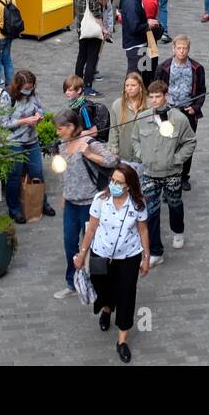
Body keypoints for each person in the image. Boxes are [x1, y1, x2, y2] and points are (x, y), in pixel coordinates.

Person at [75, 162, 150, 363]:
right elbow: (91, 229)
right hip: (100, 254)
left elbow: (143, 230)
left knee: (126, 294)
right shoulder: (100, 199)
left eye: (119, 182)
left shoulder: (138, 203)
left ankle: (122, 340)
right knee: (103, 289)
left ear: (129, 186)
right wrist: (82, 253)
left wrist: (146, 257)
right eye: (113, 180)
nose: (114, 185)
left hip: (129, 257)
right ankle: (107, 309)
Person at [53, 104, 119, 300]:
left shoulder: (89, 142)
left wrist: (89, 154)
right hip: (72, 204)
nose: (58, 131)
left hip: (91, 204)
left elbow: (112, 161)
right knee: (69, 243)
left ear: (73, 126)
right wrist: (64, 194)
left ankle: (98, 283)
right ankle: (72, 281)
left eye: (61, 128)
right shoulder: (62, 145)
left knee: (93, 246)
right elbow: (64, 172)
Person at [133, 81, 195, 263]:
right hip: (150, 172)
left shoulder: (179, 119)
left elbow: (190, 141)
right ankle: (156, 251)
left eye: (157, 96)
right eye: (150, 97)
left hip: (172, 172)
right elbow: (135, 139)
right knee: (151, 210)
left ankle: (178, 230)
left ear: (166, 96)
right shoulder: (142, 117)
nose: (154, 100)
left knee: (175, 204)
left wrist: (176, 160)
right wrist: (141, 155)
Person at [0, 70, 54, 224]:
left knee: (37, 171)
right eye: (26, 87)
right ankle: (14, 209)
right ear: (19, 86)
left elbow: (40, 108)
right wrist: (25, 121)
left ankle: (42, 203)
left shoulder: (33, 94)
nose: (29, 90)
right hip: (12, 141)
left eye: (31, 87)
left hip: (31, 138)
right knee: (14, 175)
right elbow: (2, 122)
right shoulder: (7, 96)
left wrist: (38, 117)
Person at [152, 35, 205, 191]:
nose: (182, 51)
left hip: (188, 111)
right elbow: (156, 88)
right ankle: (167, 175)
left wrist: (195, 107)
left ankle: (183, 177)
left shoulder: (197, 68)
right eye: (179, 48)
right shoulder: (164, 67)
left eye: (185, 48)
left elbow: (201, 91)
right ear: (173, 49)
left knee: (187, 143)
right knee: (167, 143)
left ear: (188, 49)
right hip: (168, 111)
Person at [73, 0, 104, 97]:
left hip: (81, 27)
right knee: (92, 58)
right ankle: (87, 87)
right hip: (91, 29)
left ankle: (76, 84)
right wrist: (103, 29)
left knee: (81, 56)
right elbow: (96, 14)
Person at [119, 0, 158, 76]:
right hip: (135, 45)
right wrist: (148, 24)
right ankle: (129, 91)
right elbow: (134, 27)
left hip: (139, 43)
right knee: (134, 75)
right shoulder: (132, 3)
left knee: (141, 73)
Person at [110, 72, 149, 164]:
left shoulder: (149, 105)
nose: (129, 88)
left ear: (140, 87)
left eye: (133, 85)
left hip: (144, 157)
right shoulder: (117, 105)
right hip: (124, 156)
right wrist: (114, 151)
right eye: (127, 85)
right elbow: (114, 130)